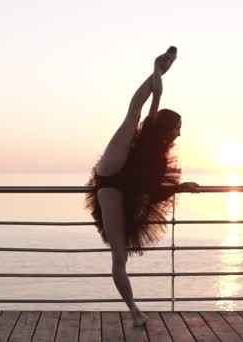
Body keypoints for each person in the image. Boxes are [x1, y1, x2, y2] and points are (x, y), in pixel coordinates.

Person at [84, 46, 199, 326]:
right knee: (132, 115)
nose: (180, 132)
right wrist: (159, 71)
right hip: (112, 178)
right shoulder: (149, 129)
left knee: (120, 256)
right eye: (178, 127)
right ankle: (134, 310)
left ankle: (134, 311)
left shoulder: (160, 157)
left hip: (126, 186)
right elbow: (155, 97)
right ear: (167, 126)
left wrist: (180, 187)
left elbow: (152, 190)